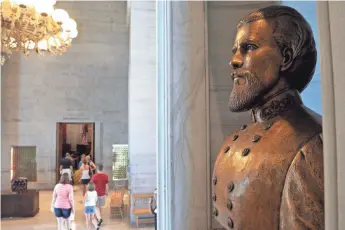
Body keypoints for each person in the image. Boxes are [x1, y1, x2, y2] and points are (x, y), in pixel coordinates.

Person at [212, 5, 324, 230]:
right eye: (235, 50)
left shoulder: (309, 144)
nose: (234, 61)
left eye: (249, 48)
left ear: (286, 57)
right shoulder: (238, 137)